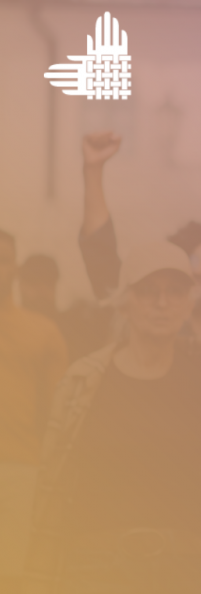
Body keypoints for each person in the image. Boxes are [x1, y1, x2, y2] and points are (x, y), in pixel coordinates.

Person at [22, 239, 201, 594]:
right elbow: (51, 490)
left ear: (189, 303)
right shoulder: (82, 382)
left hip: (188, 572)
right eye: (148, 291)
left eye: (176, 291)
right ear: (124, 302)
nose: (162, 303)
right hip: (95, 572)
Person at [79, 131, 201, 361]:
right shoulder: (155, 338)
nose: (199, 270)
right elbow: (102, 259)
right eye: (194, 261)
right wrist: (93, 170)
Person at [0, 231, 69, 594]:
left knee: (13, 579)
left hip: (20, 471)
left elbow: (62, 415)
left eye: (3, 259)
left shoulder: (43, 332)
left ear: (14, 269)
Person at [18, 254, 112, 361]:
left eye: (49, 282)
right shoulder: (8, 328)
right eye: (35, 282)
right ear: (21, 285)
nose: (43, 289)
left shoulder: (71, 327)